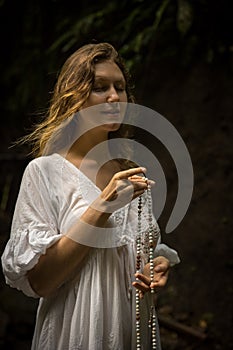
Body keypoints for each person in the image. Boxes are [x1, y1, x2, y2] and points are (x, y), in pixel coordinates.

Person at [1, 42, 180, 350]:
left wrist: (155, 265)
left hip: (130, 330)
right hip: (75, 330)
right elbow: (41, 282)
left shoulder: (132, 174)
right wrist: (101, 206)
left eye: (120, 87)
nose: (114, 96)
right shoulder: (45, 172)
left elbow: (138, 252)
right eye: (100, 88)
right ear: (74, 97)